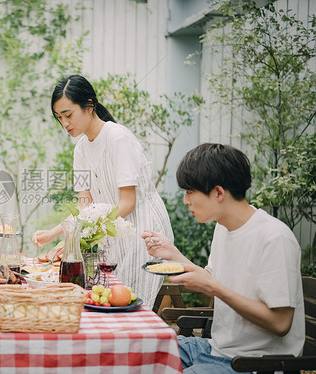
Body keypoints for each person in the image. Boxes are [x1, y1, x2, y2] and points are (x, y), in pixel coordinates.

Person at [142, 143, 304, 374]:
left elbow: (280, 323)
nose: (186, 201)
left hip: (252, 363)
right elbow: (212, 279)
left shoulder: (274, 237)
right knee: (141, 349)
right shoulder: (223, 228)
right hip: (215, 349)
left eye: (190, 192)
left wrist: (214, 287)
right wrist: (173, 254)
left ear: (218, 192)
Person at [32, 74, 173, 307]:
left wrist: (88, 232)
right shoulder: (81, 149)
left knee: (132, 306)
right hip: (113, 230)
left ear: (89, 106)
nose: (65, 123)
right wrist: (54, 234)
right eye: (59, 118)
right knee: (108, 302)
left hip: (143, 232)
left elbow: (128, 203)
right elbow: (84, 206)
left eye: (68, 115)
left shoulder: (117, 137)